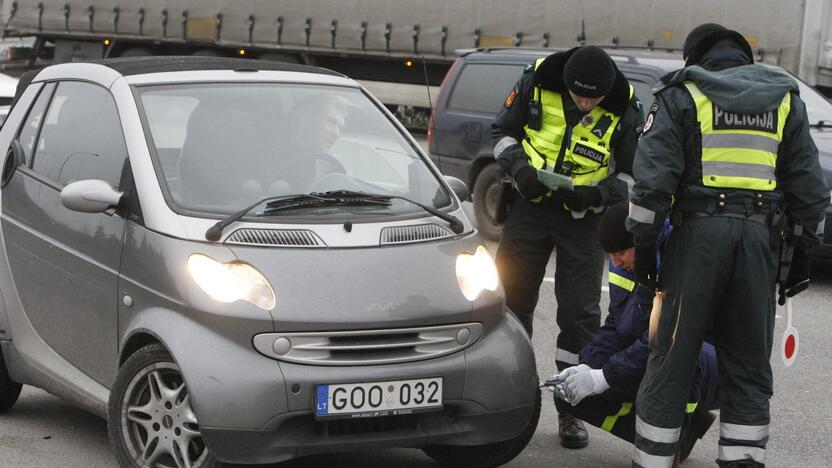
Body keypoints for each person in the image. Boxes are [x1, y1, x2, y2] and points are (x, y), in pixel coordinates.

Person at [626, 23, 830, 467]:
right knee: (749, 370)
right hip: (760, 243)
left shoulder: (681, 95)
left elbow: (651, 186)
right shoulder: (784, 100)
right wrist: (800, 256)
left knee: (671, 364)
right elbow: (812, 194)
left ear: (695, 57)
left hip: (696, 241)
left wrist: (644, 250)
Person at [491, 45, 642, 448]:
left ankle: (570, 410)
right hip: (530, 207)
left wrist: (599, 195)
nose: (585, 102)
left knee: (580, 317)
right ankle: (514, 402)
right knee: (511, 304)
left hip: (584, 219)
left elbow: (634, 171)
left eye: (593, 98)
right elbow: (501, 134)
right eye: (579, 95)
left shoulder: (625, 105)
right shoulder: (537, 80)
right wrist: (520, 171)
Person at [547, 202, 719, 464]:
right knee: (570, 399)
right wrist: (585, 365)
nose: (615, 262)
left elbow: (663, 338)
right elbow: (615, 325)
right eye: (611, 256)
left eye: (620, 253)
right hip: (649, 356)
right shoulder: (623, 265)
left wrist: (603, 376)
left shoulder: (680, 263)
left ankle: (674, 436)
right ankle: (663, 433)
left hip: (704, 362)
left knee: (681, 363)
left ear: (643, 241)